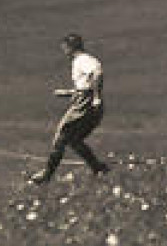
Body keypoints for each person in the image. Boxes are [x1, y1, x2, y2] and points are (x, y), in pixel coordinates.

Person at [29, 33, 109, 184]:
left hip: (85, 102)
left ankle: (47, 174)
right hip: (84, 98)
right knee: (73, 139)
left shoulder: (82, 60)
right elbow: (86, 83)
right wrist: (68, 93)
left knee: (62, 133)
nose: (64, 51)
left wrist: (96, 97)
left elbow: (97, 73)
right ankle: (98, 168)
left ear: (70, 47)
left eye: (64, 48)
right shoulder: (82, 60)